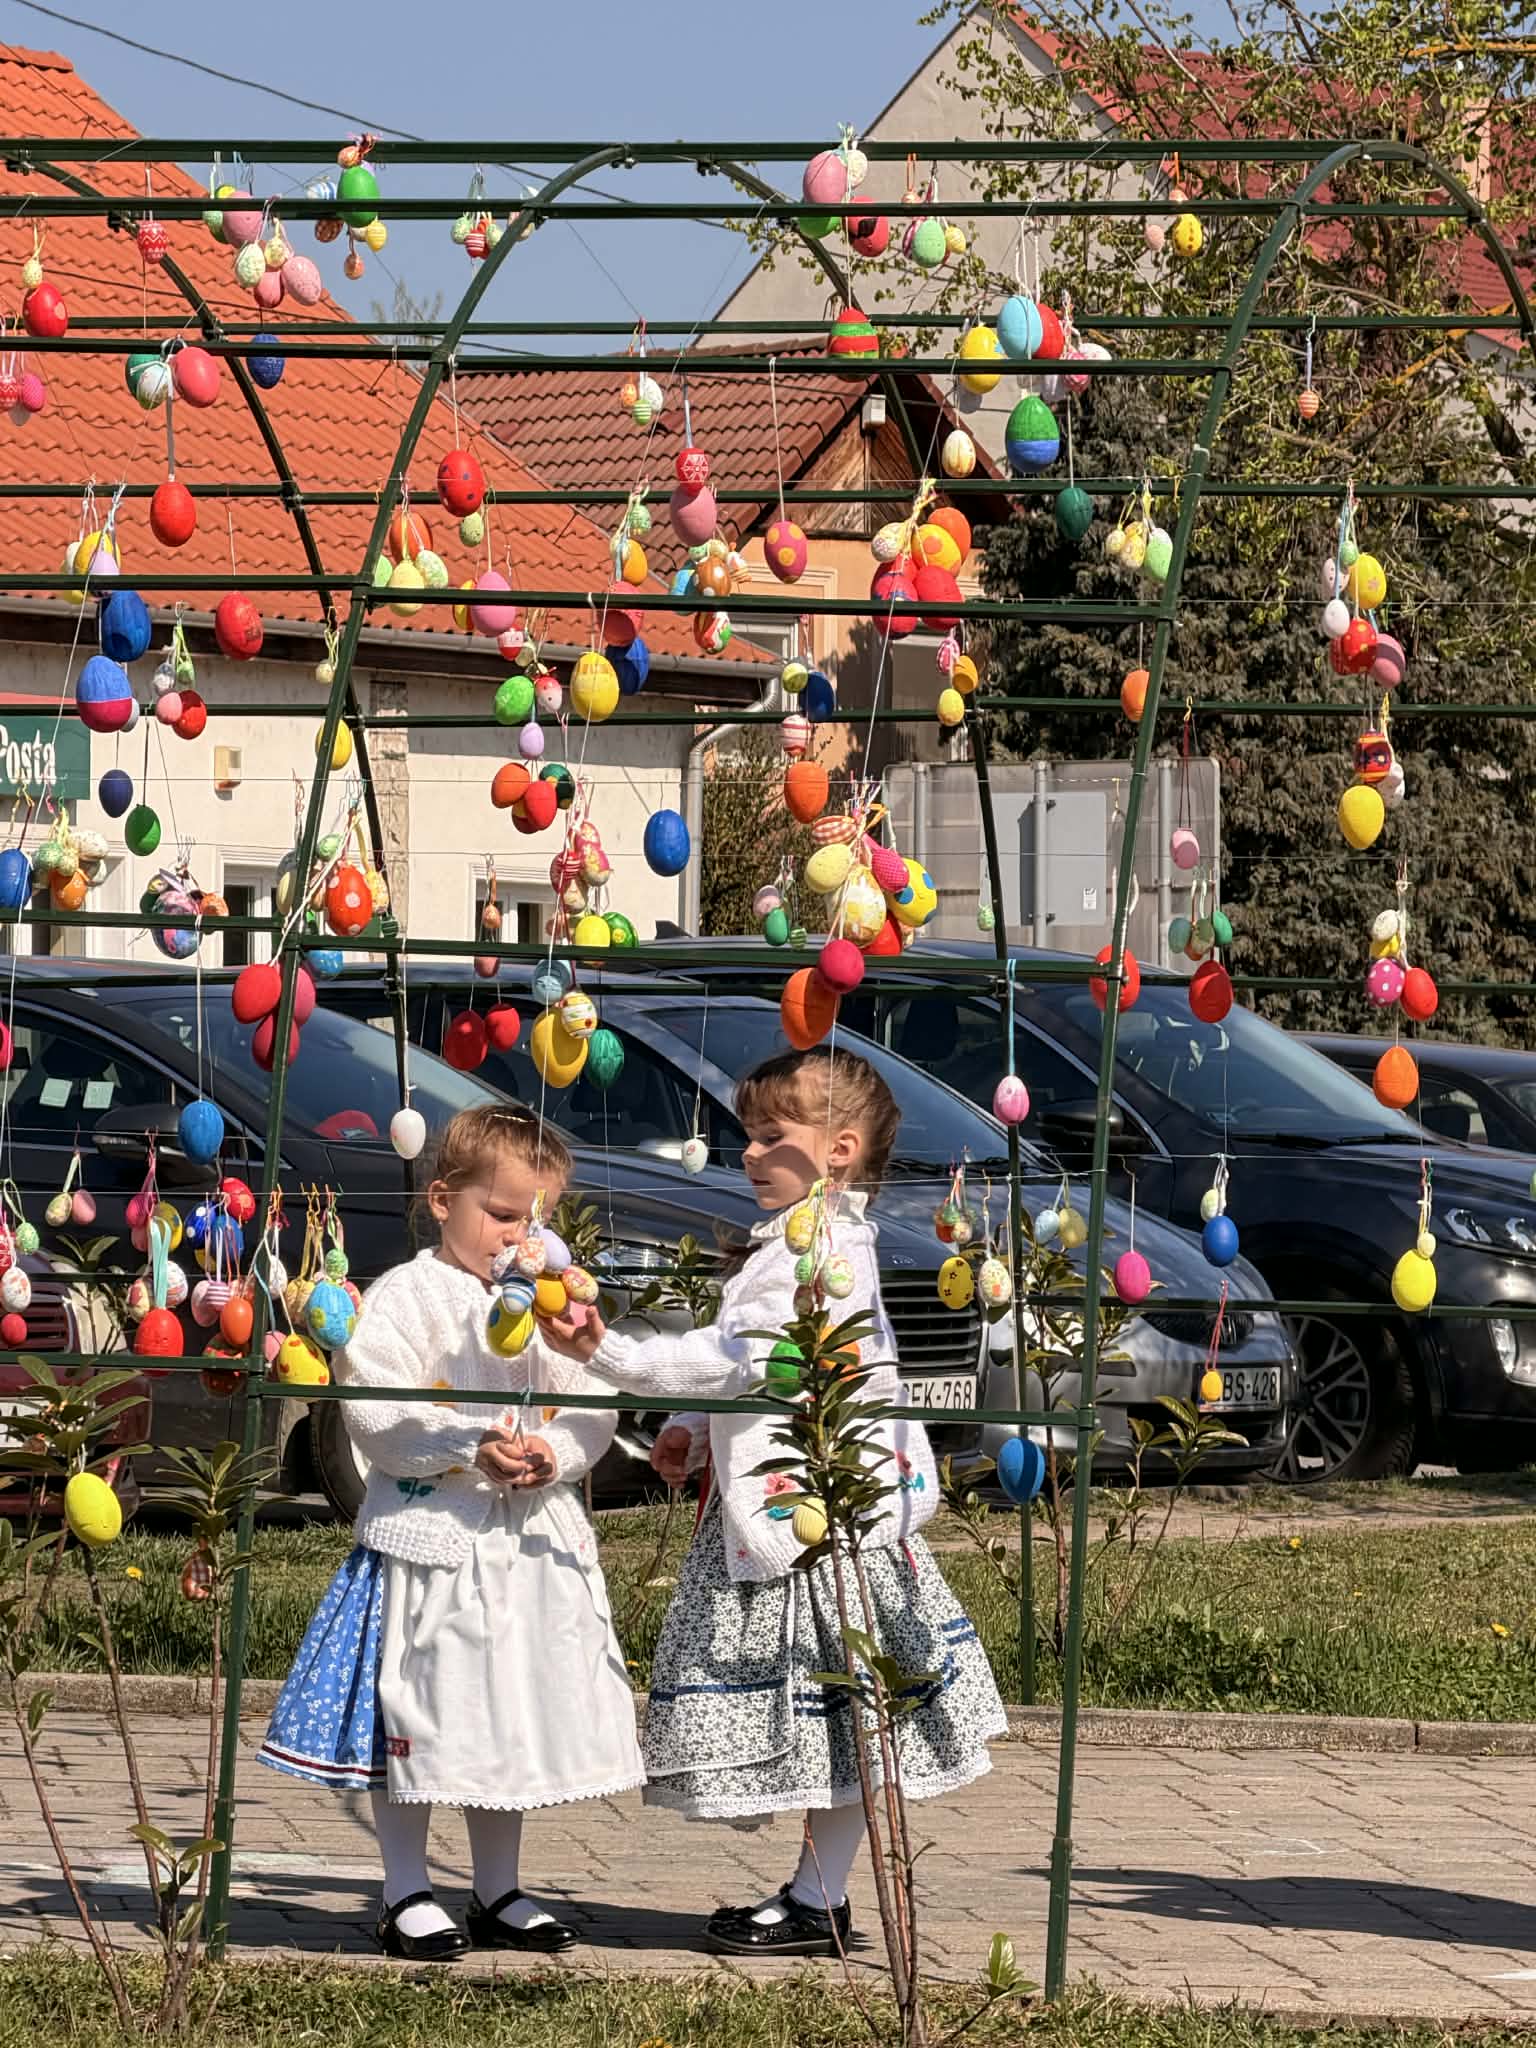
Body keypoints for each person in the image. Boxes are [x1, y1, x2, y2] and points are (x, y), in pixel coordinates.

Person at [544, 1046, 1005, 1957]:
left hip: (817, 1525)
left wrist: (611, 1353)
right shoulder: (801, 1240)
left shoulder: (822, 1250)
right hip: (810, 1513)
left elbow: (740, 1359)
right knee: (839, 1720)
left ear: (838, 1150)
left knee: (842, 1714)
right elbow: (760, 1362)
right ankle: (816, 1893)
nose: (749, 1154)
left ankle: (819, 1896)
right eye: (747, 1136)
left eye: (768, 1136)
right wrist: (691, 1426)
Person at [258, 1104, 643, 1960]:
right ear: (442, 1199)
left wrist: (555, 1452)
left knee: (502, 1713)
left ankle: (498, 1888)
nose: (518, 1238)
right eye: (501, 1214)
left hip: (528, 1548)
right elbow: (376, 1412)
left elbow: (591, 1403)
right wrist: (469, 1445)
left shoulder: (552, 1301)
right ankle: (405, 1887)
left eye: (537, 1220)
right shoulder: (407, 1296)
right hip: (432, 1548)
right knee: (422, 1711)